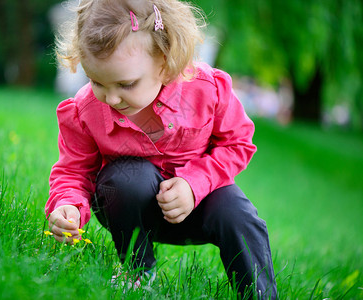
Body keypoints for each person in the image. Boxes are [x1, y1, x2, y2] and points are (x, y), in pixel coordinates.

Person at [45, 0, 278, 298]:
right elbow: (74, 170)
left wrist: (194, 185)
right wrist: (67, 203)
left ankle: (259, 294)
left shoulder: (208, 89)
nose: (112, 98)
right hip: (131, 208)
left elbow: (238, 143)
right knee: (126, 178)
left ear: (165, 63)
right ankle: (137, 271)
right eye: (96, 82)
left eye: (126, 84)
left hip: (200, 202)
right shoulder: (85, 110)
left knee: (239, 214)